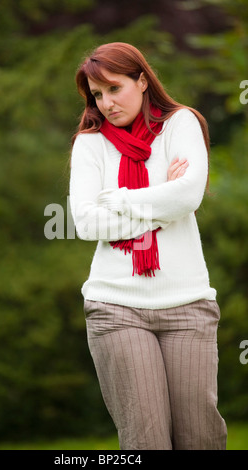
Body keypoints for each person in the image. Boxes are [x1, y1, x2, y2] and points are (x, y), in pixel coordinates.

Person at [69, 42, 227, 450]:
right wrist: (163, 198)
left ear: (142, 81)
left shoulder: (181, 124)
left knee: (201, 438)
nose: (105, 103)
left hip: (188, 306)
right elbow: (87, 222)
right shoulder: (90, 143)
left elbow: (188, 196)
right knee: (146, 442)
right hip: (115, 307)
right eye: (96, 95)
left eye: (114, 88)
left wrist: (119, 199)